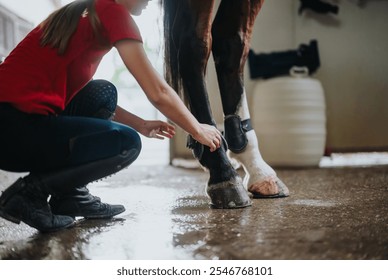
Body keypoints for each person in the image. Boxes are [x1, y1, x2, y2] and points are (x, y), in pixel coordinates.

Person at [0, 0, 222, 233]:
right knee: (126, 143)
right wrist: (197, 129)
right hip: (15, 131)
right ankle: (29, 195)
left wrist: (140, 123)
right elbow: (158, 92)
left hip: (13, 128)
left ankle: (70, 196)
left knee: (102, 93)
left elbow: (73, 98)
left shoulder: (86, 11)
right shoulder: (113, 13)